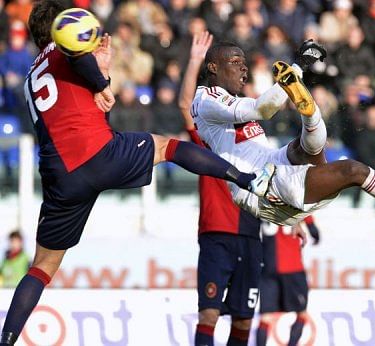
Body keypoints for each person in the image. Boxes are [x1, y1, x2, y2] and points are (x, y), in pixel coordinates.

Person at [0, 3, 271, 345]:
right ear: (58, 27)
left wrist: (102, 76)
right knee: (166, 147)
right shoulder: (66, 45)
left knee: (41, 266)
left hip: (61, 177)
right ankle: (244, 178)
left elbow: (90, 114)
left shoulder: (30, 77)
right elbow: (79, 59)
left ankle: (6, 339)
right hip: (95, 153)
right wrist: (101, 81)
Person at [191, 40, 375, 232]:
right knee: (353, 169)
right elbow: (264, 108)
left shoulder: (225, 98)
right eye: (234, 63)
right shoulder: (206, 99)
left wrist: (295, 73)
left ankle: (309, 113)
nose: (243, 68)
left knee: (306, 144)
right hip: (258, 187)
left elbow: (263, 107)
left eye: (244, 63)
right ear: (213, 67)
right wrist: (296, 68)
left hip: (272, 164)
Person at [179, 32, 262, 346]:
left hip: (252, 231)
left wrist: (296, 222)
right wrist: (194, 61)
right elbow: (186, 104)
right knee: (209, 314)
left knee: (244, 318)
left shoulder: (255, 137)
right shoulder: (209, 133)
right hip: (218, 231)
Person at [257, 216, 319, 346]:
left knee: (266, 317)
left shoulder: (262, 201)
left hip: (267, 266)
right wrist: (314, 232)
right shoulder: (294, 201)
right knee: (302, 313)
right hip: (291, 267)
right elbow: (308, 219)